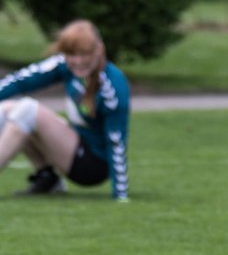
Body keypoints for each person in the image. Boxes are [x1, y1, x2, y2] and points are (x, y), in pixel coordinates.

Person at [0, 19, 130, 200]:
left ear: (98, 50)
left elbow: (116, 141)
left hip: (92, 165)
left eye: (84, 54)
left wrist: (120, 194)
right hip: (73, 145)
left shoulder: (113, 85)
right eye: (71, 54)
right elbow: (22, 80)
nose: (77, 61)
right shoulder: (64, 65)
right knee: (6, 108)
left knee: (27, 110)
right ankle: (48, 179)